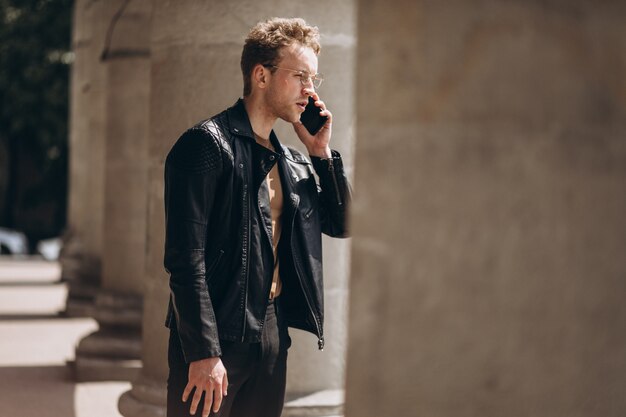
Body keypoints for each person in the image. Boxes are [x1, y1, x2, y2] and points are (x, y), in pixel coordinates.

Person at [163, 17, 351, 417]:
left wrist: (322, 156)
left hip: (271, 334)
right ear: (261, 75)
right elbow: (185, 258)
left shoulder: (293, 160)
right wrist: (203, 351)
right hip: (216, 336)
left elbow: (343, 224)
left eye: (315, 80)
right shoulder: (206, 145)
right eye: (300, 76)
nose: (310, 92)